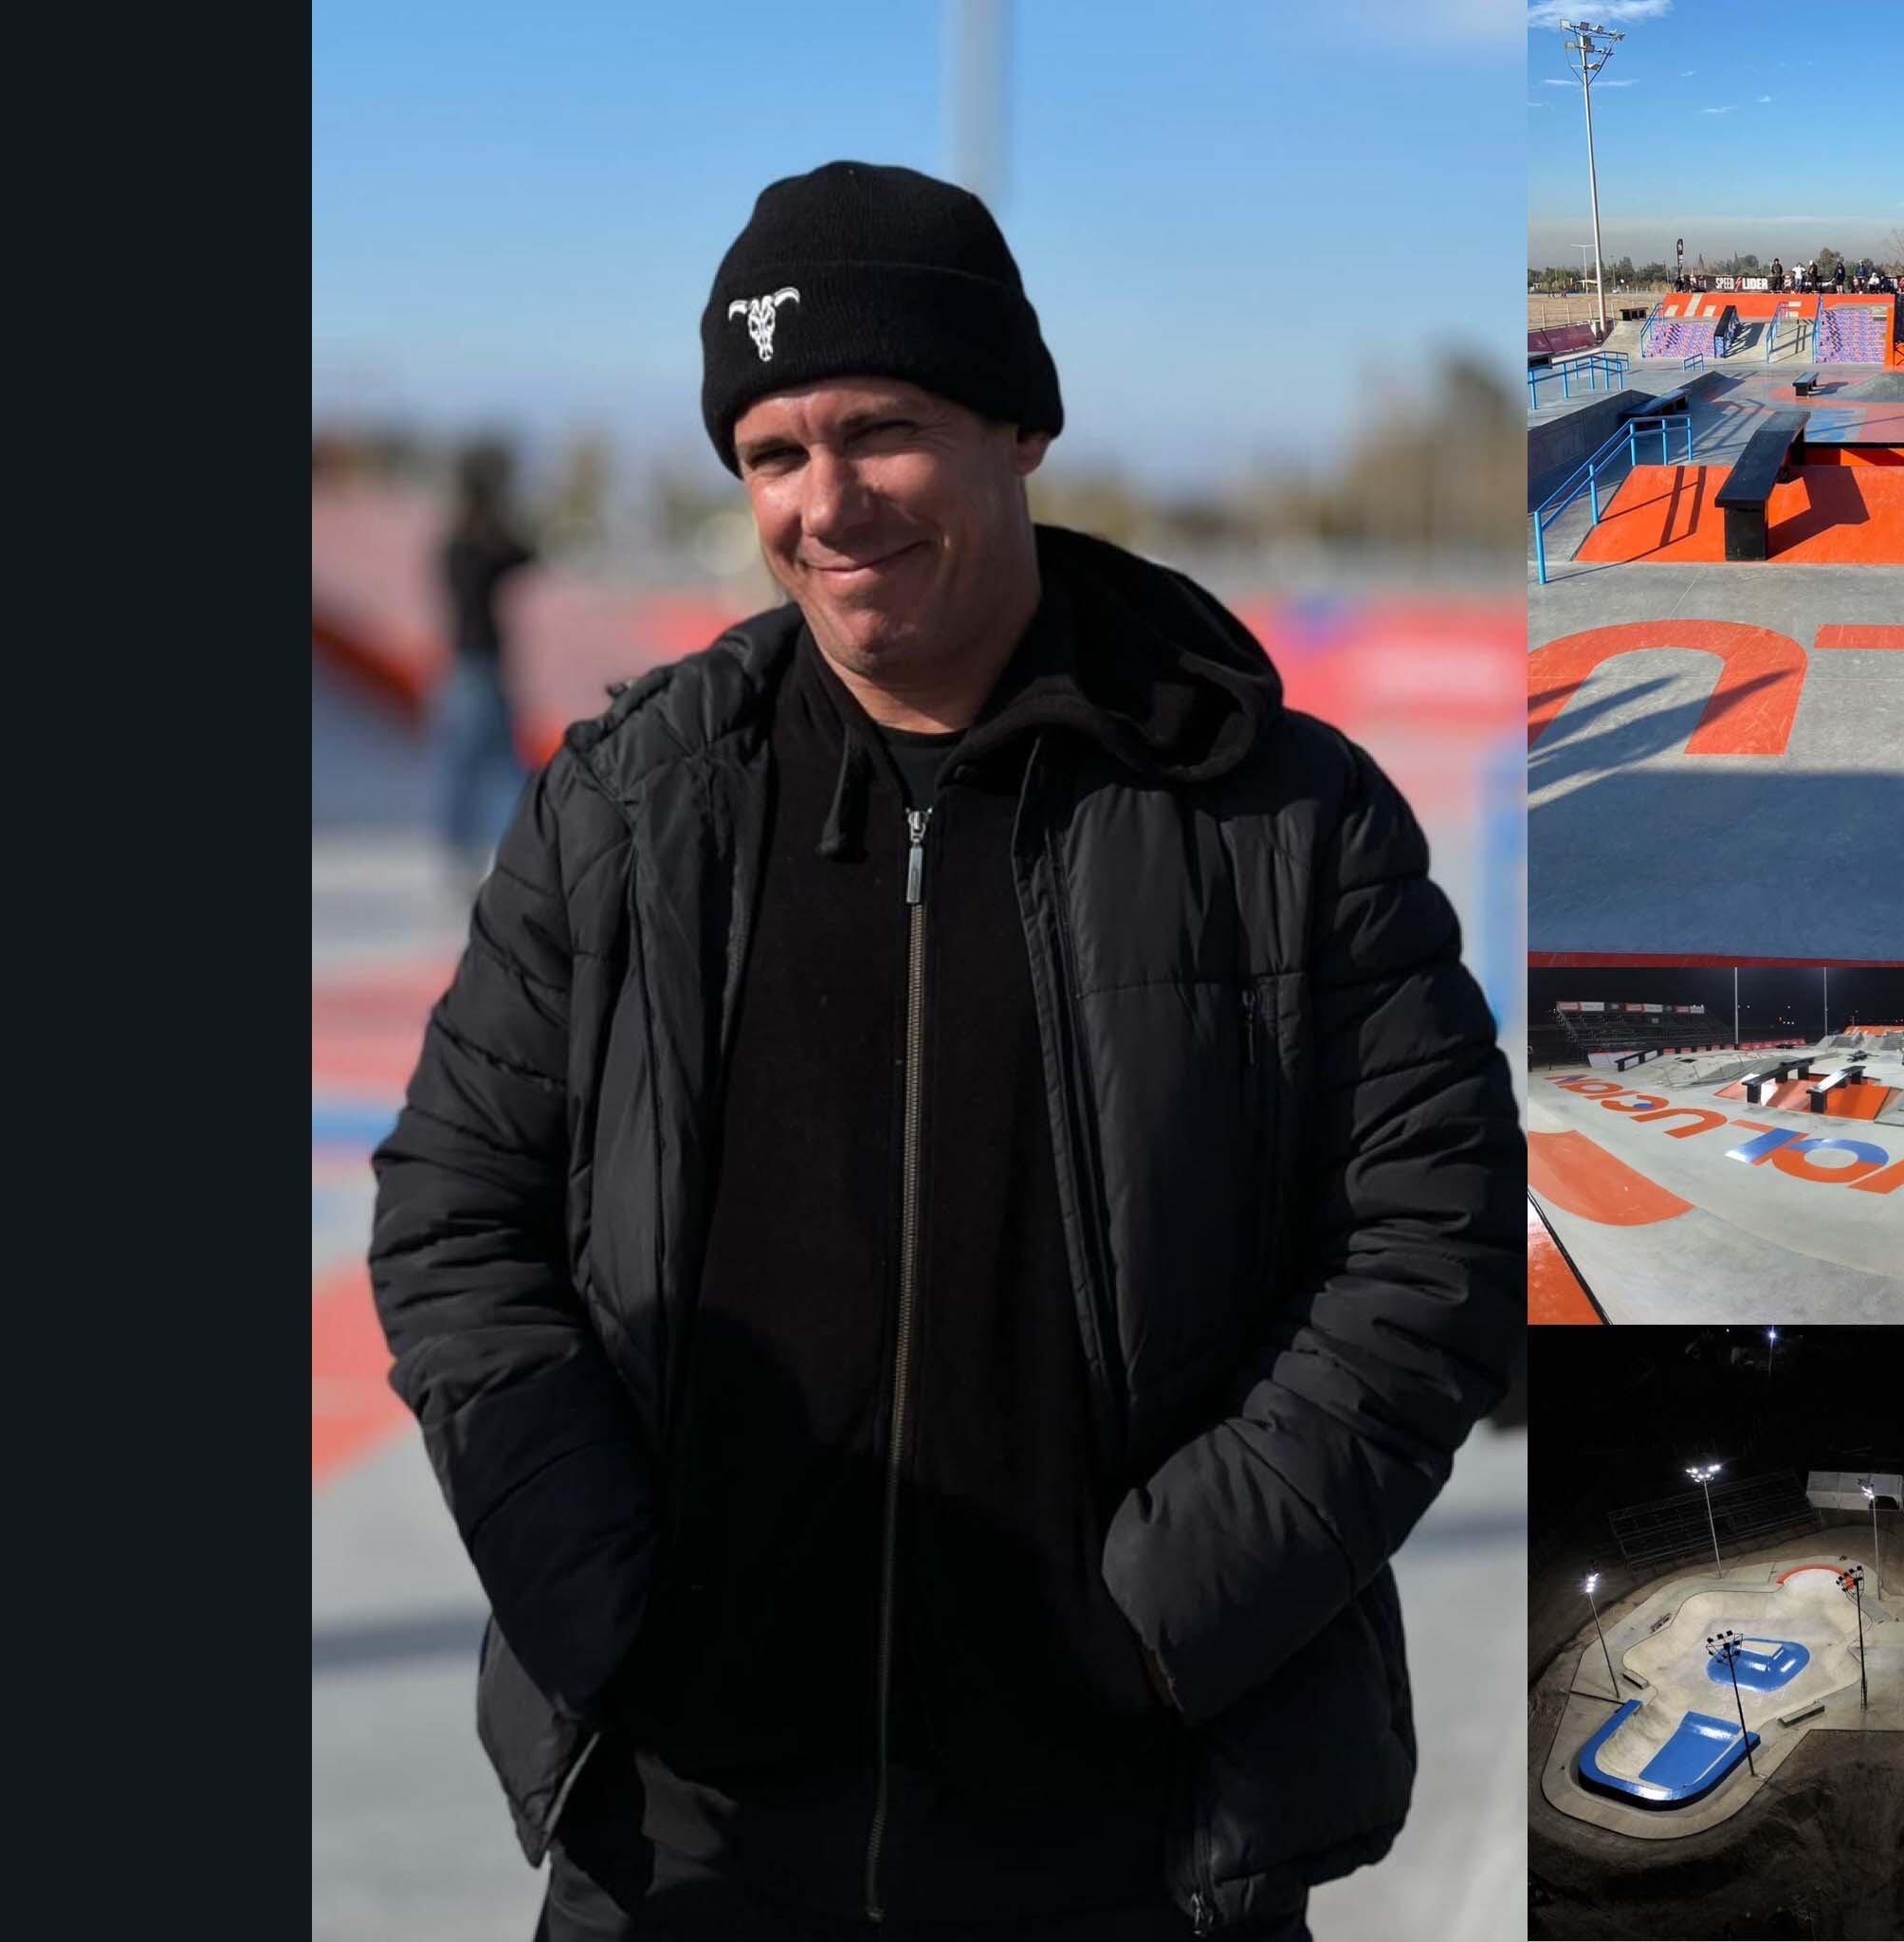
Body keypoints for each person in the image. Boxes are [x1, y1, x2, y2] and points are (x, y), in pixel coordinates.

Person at [372, 161, 1526, 1942]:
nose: (825, 503)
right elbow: (454, 1209)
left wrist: (1158, 1615)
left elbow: (1431, 1246)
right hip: (687, 1845)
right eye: (770, 452)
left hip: (1123, 1839)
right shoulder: (630, 807)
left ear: (1017, 425)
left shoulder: (1279, 818)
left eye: (879, 428)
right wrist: (597, 1591)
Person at [433, 440, 540, 892]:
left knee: (476, 766)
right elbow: (523, 552)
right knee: (485, 764)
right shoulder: (472, 543)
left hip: (470, 669)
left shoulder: (459, 540)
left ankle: (488, 853)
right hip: (475, 670)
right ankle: (497, 854)